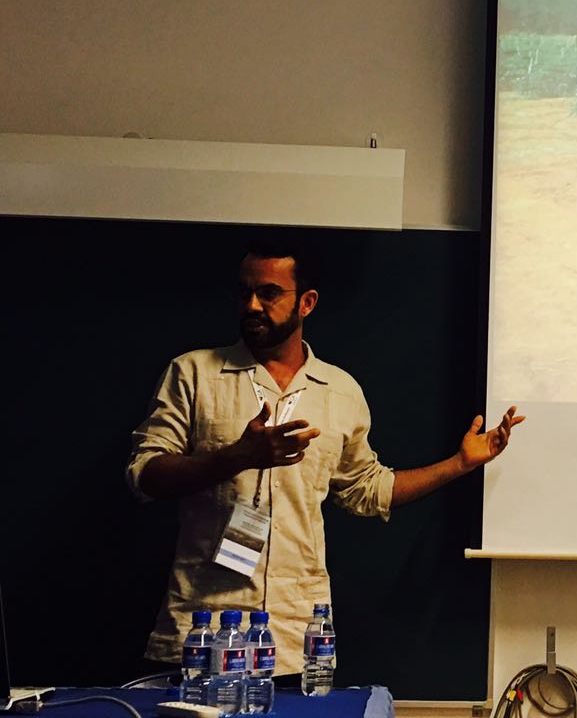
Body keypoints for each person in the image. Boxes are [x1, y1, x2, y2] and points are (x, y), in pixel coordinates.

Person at [125, 239, 524, 676]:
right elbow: (145, 475)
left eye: (269, 293)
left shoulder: (339, 391)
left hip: (299, 637)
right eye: (244, 293)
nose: (252, 305)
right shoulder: (194, 373)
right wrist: (238, 456)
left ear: (307, 302)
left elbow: (369, 491)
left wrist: (461, 463)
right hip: (204, 627)